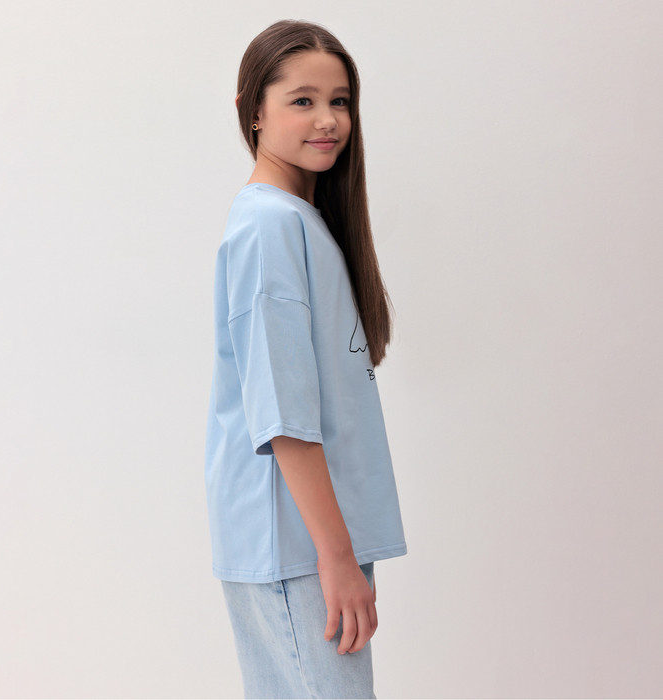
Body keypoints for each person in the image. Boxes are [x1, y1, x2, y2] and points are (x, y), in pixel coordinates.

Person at [204, 19, 407, 699]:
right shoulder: (269, 226)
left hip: (307, 539)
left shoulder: (300, 220)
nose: (327, 120)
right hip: (298, 544)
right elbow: (283, 417)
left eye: (339, 101)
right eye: (302, 100)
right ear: (253, 110)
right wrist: (336, 556)